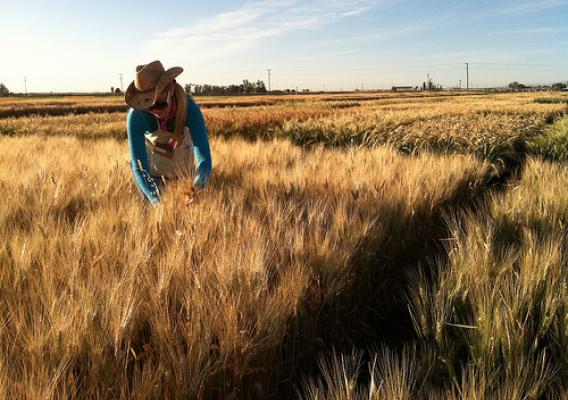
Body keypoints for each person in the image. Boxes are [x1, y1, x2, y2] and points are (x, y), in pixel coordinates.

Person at [124, 60, 212, 208]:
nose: (156, 112)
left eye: (160, 104)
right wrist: (155, 200)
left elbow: (204, 158)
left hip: (184, 175)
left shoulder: (190, 109)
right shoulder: (136, 116)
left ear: (170, 89)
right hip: (152, 175)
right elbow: (139, 166)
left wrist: (197, 187)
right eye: (149, 107)